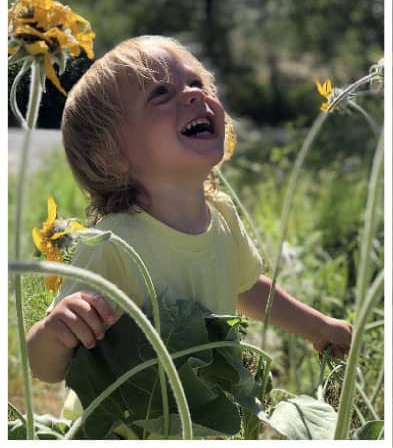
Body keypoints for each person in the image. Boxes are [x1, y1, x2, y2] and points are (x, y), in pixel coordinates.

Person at [27, 35, 352, 430]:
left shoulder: (223, 216)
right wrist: (56, 331)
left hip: (197, 423)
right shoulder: (116, 243)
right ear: (111, 155)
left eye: (196, 83)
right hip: (124, 428)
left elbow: (247, 288)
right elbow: (45, 368)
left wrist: (318, 327)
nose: (193, 96)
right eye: (161, 93)